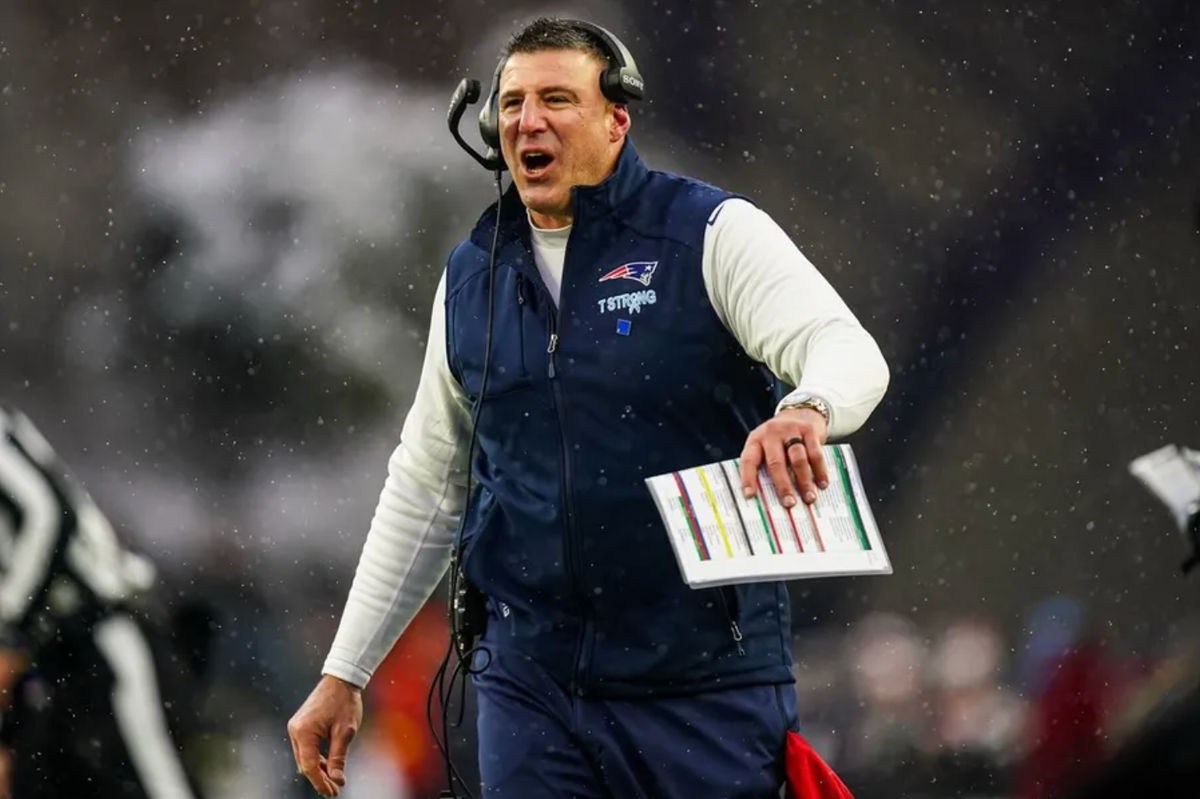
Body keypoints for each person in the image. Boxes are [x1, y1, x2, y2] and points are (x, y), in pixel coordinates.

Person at [288, 17, 889, 799]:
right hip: (529, 683)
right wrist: (345, 670)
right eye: (512, 103)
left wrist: (807, 407)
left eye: (557, 99)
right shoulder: (472, 275)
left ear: (616, 118)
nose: (528, 121)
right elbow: (429, 482)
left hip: (703, 685)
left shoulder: (711, 233)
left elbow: (845, 348)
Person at [0, 405, 207, 799]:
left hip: (97, 634)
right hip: (40, 665)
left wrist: (10, 634)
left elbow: (47, 513)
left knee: (155, 785)